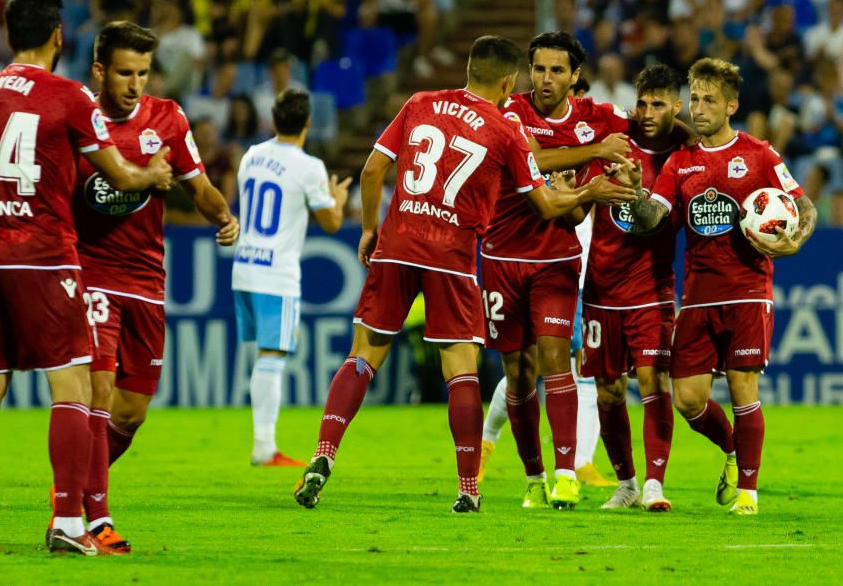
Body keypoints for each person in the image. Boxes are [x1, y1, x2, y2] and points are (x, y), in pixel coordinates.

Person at [293, 35, 591, 513]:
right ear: (508, 82)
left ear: (469, 68)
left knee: (363, 355)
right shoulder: (504, 128)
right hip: (450, 256)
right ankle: (468, 488)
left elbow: (372, 172)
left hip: (398, 241)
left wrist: (370, 230)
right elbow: (546, 203)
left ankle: (321, 456)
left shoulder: (420, 102)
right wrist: (592, 191)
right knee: (460, 370)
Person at [0, 0, 172, 555]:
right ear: (57, 36)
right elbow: (119, 176)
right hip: (47, 256)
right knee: (73, 389)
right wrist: (151, 175)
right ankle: (71, 523)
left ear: (7, 36)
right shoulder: (69, 95)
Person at [72, 21, 239, 553]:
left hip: (146, 280)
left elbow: (199, 185)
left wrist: (222, 216)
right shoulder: (74, 117)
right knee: (97, 396)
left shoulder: (167, 117)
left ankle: (73, 485)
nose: (134, 83)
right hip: (90, 272)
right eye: (124, 72)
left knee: (130, 412)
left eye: (143, 72)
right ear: (100, 69)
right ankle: (93, 518)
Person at [624, 57, 816, 516]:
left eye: (709, 99)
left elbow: (804, 206)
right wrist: (634, 193)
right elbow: (654, 218)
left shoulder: (760, 155)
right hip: (697, 296)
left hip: (748, 291)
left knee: (743, 386)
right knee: (688, 400)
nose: (699, 107)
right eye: (694, 99)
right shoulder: (680, 163)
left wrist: (795, 241)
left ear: (731, 105)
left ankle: (748, 493)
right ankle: (734, 451)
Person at [477, 31, 635, 509]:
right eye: (539, 69)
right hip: (503, 258)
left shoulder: (596, 119)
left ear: (575, 77)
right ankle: (533, 477)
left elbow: (651, 129)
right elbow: (529, 160)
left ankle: (566, 473)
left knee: (556, 361)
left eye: (556, 71)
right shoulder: (511, 111)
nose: (545, 79)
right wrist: (594, 159)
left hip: (558, 260)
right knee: (519, 375)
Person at [581, 64, 687, 512]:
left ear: (675, 106)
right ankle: (625, 483)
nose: (647, 112)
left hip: (652, 287)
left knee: (652, 380)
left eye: (658, 104)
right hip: (601, 288)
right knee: (607, 389)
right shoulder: (615, 136)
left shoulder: (686, 151)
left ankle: (654, 483)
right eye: (643, 102)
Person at [232, 88, 350, 467]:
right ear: (308, 124)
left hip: (244, 267)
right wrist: (338, 201)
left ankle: (262, 443)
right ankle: (264, 447)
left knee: (264, 355)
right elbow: (331, 222)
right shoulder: (308, 166)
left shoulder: (251, 156)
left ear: (272, 119)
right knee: (273, 355)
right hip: (276, 273)